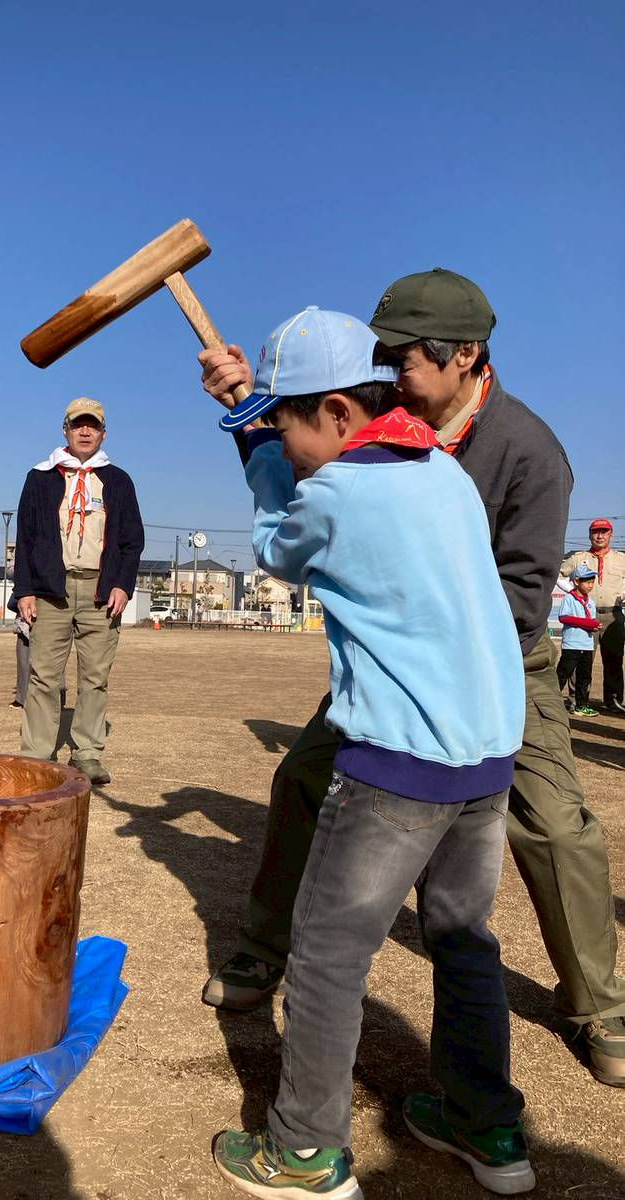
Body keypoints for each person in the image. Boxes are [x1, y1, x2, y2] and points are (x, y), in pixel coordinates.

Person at [199, 268, 625, 1089]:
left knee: (554, 826)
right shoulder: (383, 416)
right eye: (382, 357)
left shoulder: (528, 450)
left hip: (502, 660)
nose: (390, 372)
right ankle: (262, 947)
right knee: (302, 779)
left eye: (403, 358)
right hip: (398, 663)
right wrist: (254, 402)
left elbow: (522, 594)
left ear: (465, 355)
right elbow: (309, 450)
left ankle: (600, 1006)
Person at [210, 308, 531, 1198]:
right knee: (463, 941)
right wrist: (250, 411)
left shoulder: (339, 495)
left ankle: (304, 1152)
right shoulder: (443, 470)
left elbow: (279, 545)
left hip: (397, 764)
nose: (286, 443)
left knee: (325, 959)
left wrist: (247, 436)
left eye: (289, 424)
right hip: (485, 760)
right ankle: (485, 1124)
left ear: (339, 412)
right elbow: (303, 482)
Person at [13, 398, 144, 785]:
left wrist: (123, 584)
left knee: (95, 677)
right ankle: (36, 754)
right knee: (43, 676)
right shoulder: (40, 477)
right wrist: (25, 590)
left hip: (100, 591)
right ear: (65, 430)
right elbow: (26, 538)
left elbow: (131, 542)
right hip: (51, 591)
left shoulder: (118, 480)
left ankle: (87, 752)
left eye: (93, 426)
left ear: (103, 433)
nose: (85, 431)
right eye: (77, 425)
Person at [560, 519, 625, 714]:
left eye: (604, 532)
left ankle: (613, 700)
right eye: (596, 532)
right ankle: (577, 699)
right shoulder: (578, 558)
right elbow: (558, 574)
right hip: (584, 615)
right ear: (590, 535)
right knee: (580, 658)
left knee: (614, 659)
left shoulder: (621, 559)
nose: (600, 536)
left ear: (611, 535)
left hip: (613, 614)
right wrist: (573, 592)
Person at [556, 566, 601, 715]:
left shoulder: (591, 602)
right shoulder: (569, 598)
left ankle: (581, 705)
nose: (591, 585)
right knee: (563, 673)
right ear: (576, 581)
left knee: (584, 677)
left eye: (592, 582)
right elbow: (564, 617)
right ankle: (551, 701)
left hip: (587, 645)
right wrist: (587, 623)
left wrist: (594, 626)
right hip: (572, 644)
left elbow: (591, 621)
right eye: (587, 582)